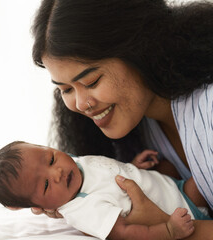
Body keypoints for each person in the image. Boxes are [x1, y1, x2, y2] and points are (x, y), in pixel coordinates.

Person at [31, 0, 213, 217]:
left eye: (91, 82)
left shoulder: (208, 106)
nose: (80, 104)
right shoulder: (140, 124)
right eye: (66, 90)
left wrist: (161, 227)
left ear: (140, 49)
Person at [0, 141, 212, 240]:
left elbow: (106, 176)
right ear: (40, 207)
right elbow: (124, 233)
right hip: (180, 211)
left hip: (170, 186)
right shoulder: (82, 208)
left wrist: (132, 166)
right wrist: (169, 231)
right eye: (45, 185)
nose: (56, 173)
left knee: (175, 165)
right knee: (204, 175)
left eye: (51, 158)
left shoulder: (72, 166)